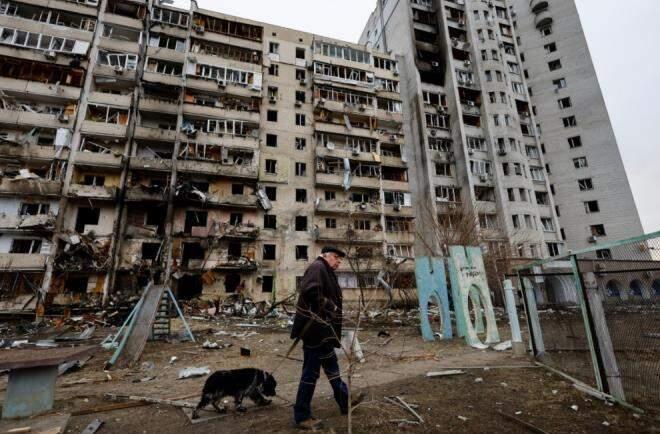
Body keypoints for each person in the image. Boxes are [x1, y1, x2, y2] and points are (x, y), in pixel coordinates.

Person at [290, 246, 356, 430]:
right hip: (314, 332)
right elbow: (310, 290)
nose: (339, 261)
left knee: (332, 368)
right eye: (336, 257)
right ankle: (301, 416)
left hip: (323, 332)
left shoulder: (325, 269)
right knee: (310, 373)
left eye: (340, 259)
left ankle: (345, 401)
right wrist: (331, 307)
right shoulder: (318, 267)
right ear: (326, 256)